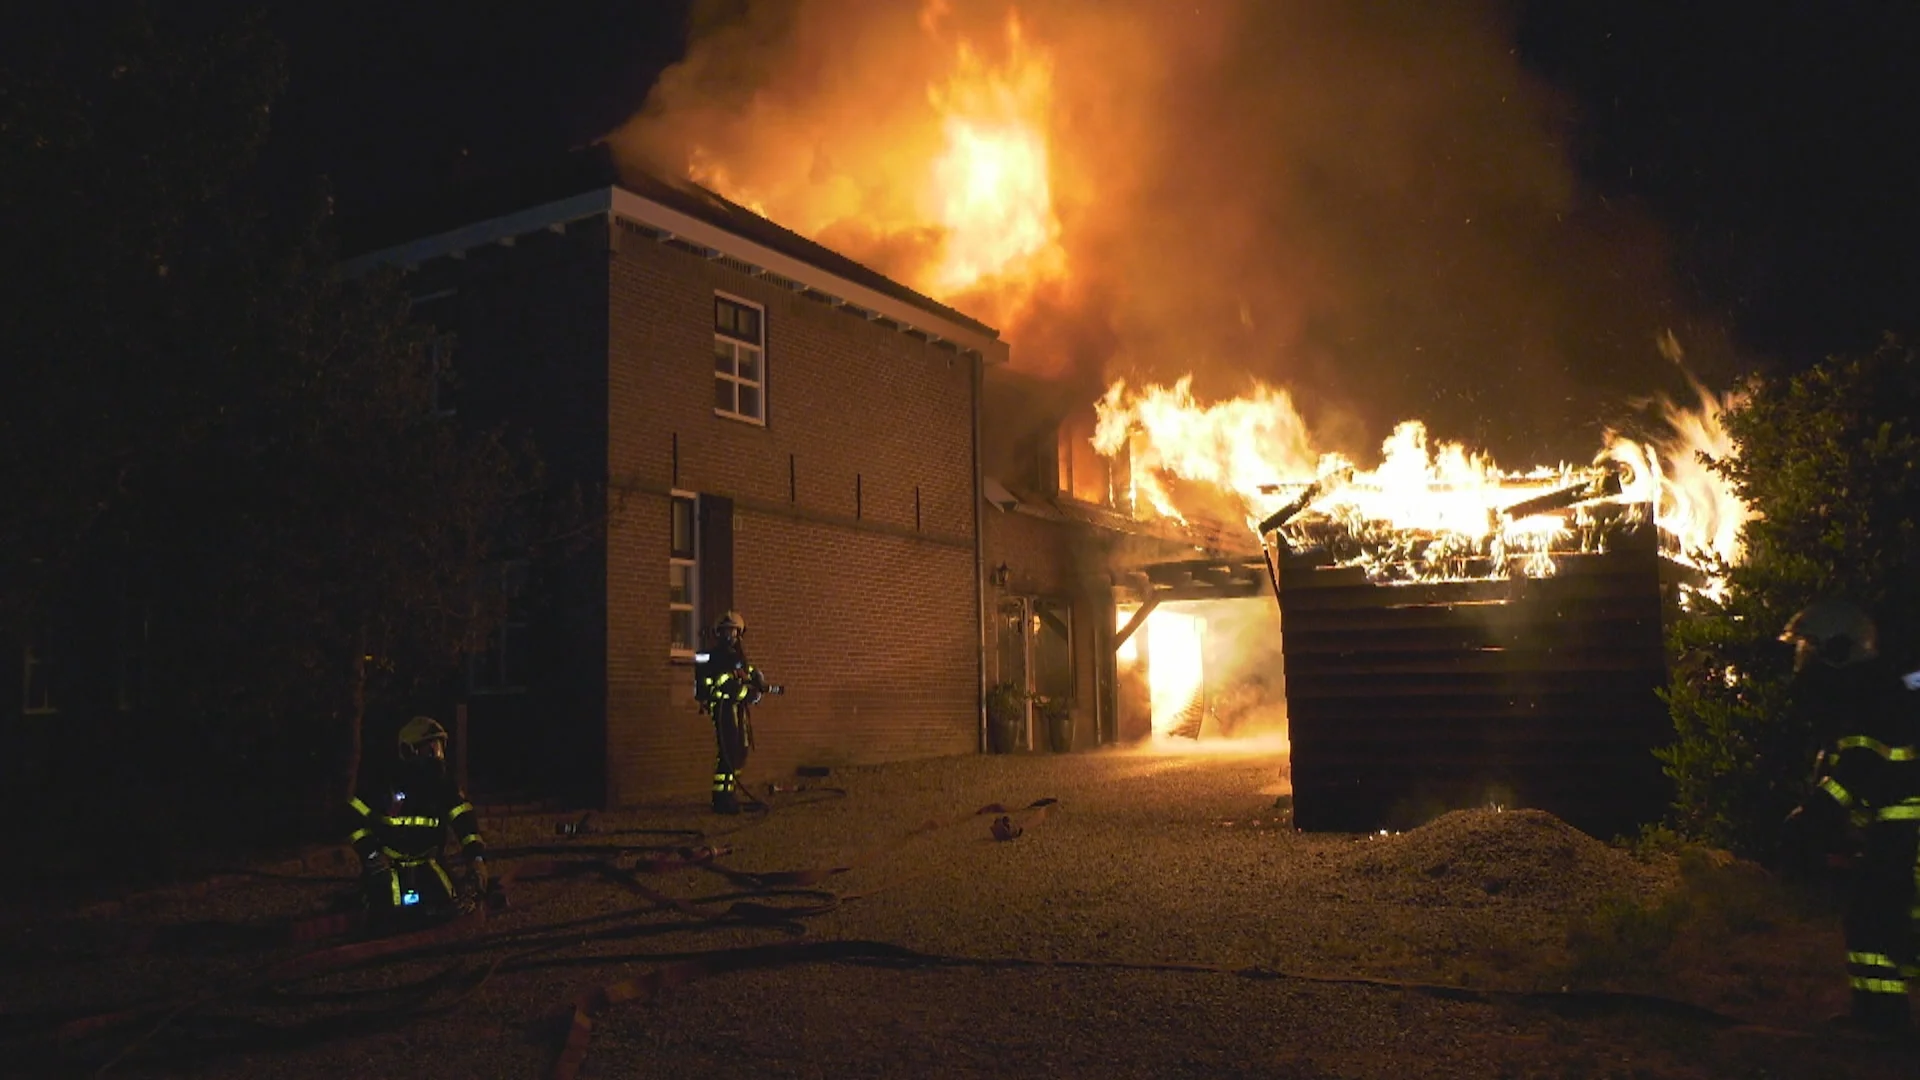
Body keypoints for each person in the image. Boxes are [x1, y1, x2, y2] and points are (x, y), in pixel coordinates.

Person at [1778, 598, 1920, 1035]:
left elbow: (1856, 775)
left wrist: (1811, 818)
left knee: (1876, 925)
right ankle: (1879, 1018)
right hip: (1895, 841)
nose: (1803, 663)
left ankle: (1883, 1024)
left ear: (1838, 653)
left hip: (1904, 843)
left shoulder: (1870, 705)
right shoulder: (1871, 696)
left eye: (1809, 651)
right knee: (1880, 927)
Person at [346, 715, 490, 925]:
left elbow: (464, 822)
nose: (437, 757)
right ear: (407, 751)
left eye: (439, 749)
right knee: (383, 916)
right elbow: (353, 818)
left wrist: (476, 860)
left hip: (428, 862)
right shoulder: (383, 784)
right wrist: (372, 856)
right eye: (430, 750)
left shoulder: (443, 785)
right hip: (388, 867)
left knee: (452, 907)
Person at [694, 610, 782, 814]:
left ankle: (730, 791)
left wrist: (757, 677)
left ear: (739, 633)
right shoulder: (716, 657)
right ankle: (722, 798)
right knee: (728, 751)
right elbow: (725, 684)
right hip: (724, 708)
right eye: (725, 632)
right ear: (719, 633)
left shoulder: (737, 656)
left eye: (733, 632)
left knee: (740, 751)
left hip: (737, 709)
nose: (729, 636)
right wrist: (749, 694)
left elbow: (744, 671)